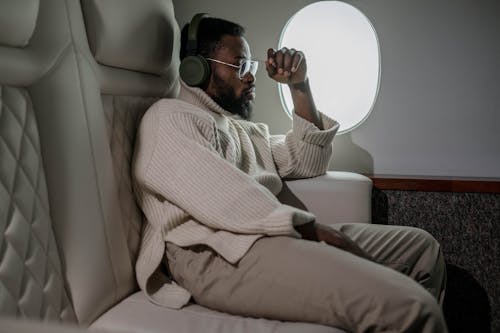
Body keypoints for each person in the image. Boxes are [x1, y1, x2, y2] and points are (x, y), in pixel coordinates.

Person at [132, 14, 448, 333]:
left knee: (422, 250)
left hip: (264, 238)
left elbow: (308, 161)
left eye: (251, 66)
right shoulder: (169, 119)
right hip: (211, 254)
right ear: (195, 68)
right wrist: (317, 232)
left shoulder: (240, 130)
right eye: (239, 65)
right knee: (413, 309)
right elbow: (224, 198)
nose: (251, 76)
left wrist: (299, 86)